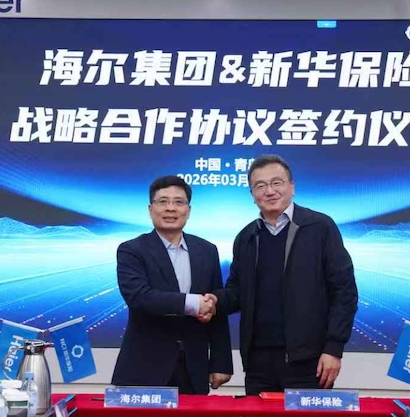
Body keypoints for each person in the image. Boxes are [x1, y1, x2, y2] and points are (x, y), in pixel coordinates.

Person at [216, 155, 358, 395]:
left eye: (277, 183)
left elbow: (344, 291)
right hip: (258, 363)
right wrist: (210, 301)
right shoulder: (246, 237)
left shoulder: (320, 227)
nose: (269, 191)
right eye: (260, 185)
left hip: (309, 362)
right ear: (252, 194)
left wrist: (333, 348)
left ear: (292, 186)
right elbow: (237, 293)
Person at [111, 175, 233, 394]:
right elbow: (139, 297)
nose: (171, 208)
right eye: (163, 201)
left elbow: (216, 308)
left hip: (193, 369)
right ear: (151, 209)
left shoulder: (207, 250)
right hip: (144, 368)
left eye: (178, 202)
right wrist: (195, 304)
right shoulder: (131, 250)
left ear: (188, 210)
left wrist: (220, 362)